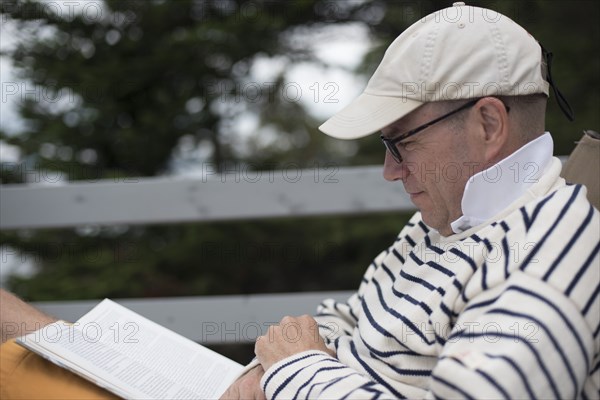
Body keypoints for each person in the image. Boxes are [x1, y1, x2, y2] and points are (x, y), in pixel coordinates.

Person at [1, 3, 598, 399]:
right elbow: (352, 319)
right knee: (34, 349)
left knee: (24, 366)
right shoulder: (450, 219)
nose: (390, 171)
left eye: (399, 142)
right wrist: (274, 366)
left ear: (488, 124)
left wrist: (293, 369)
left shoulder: (553, 254)